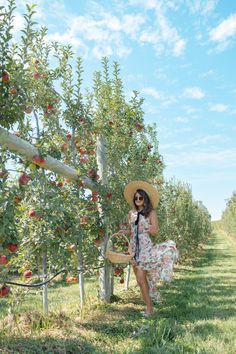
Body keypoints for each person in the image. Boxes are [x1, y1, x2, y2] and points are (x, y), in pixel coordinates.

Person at [120, 180, 178, 317]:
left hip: (145, 248)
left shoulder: (150, 213)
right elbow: (132, 231)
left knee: (140, 278)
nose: (138, 200)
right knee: (140, 281)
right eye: (136, 198)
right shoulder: (131, 213)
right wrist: (124, 232)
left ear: (145, 198)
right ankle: (149, 307)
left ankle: (149, 309)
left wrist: (151, 229)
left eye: (140, 197)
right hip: (134, 249)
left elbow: (155, 232)